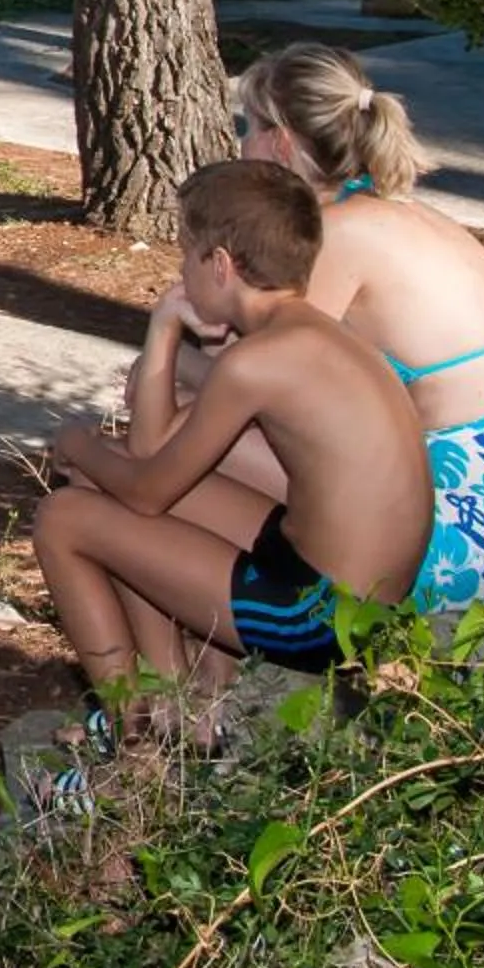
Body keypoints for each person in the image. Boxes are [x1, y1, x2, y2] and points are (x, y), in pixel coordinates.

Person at [36, 160, 431, 731]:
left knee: (64, 517)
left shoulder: (256, 363)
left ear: (219, 265)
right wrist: (165, 331)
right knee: (106, 474)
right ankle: (186, 700)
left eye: (185, 255)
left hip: (320, 616)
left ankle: (142, 742)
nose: (179, 273)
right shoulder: (316, 335)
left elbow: (149, 491)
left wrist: (77, 440)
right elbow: (150, 453)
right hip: (347, 586)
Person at [174, 43, 484, 611]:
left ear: (280, 143)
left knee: (173, 433)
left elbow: (254, 382)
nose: (241, 144)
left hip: (452, 537)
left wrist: (167, 352)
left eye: (247, 127)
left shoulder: (332, 237)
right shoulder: (387, 209)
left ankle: (209, 659)